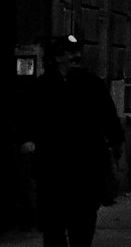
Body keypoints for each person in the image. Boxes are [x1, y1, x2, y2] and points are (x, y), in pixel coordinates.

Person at [19, 35, 124, 247]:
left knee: (82, 228)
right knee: (53, 228)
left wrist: (115, 143)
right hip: (52, 169)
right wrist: (27, 140)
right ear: (58, 57)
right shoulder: (43, 86)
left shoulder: (92, 85)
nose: (77, 56)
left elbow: (109, 118)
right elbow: (26, 119)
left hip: (85, 169)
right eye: (70, 52)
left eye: (78, 51)